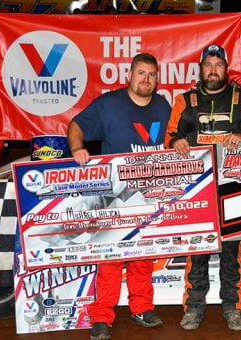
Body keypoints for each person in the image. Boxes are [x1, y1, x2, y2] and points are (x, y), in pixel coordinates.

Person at [165, 44, 241, 332]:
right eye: (208, 65)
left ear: (227, 69)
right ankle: (194, 308)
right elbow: (169, 136)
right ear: (200, 69)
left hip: (234, 187)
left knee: (231, 252)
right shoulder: (183, 101)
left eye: (219, 65)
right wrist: (175, 143)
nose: (213, 70)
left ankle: (232, 307)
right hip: (196, 189)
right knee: (196, 250)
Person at [67, 53, 169, 340]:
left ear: (157, 79)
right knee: (109, 257)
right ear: (129, 75)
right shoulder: (109, 104)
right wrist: (77, 149)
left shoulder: (163, 106)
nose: (146, 79)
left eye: (151, 74)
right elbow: (76, 125)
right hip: (114, 196)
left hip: (149, 194)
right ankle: (101, 317)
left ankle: (142, 308)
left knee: (142, 255)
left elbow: (173, 139)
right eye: (141, 73)